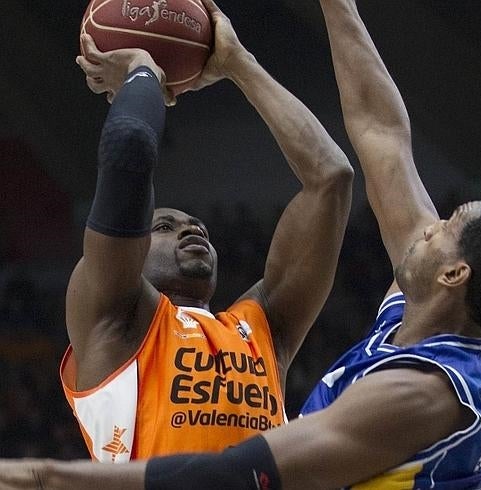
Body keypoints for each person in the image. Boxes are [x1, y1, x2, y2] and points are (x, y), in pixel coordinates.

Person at [2, 0, 481, 488]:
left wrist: (143, 75)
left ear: (455, 274)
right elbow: (357, 157)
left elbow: (235, 475)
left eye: (446, 226)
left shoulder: (425, 386)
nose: (428, 226)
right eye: (165, 225)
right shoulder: (115, 320)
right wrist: (239, 62)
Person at [59, 0, 353, 463]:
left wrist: (239, 64)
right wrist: (142, 71)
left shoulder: (263, 331)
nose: (191, 229)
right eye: (164, 225)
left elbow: (331, 177)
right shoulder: (112, 315)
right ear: (135, 244)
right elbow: (131, 147)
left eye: (197, 226)